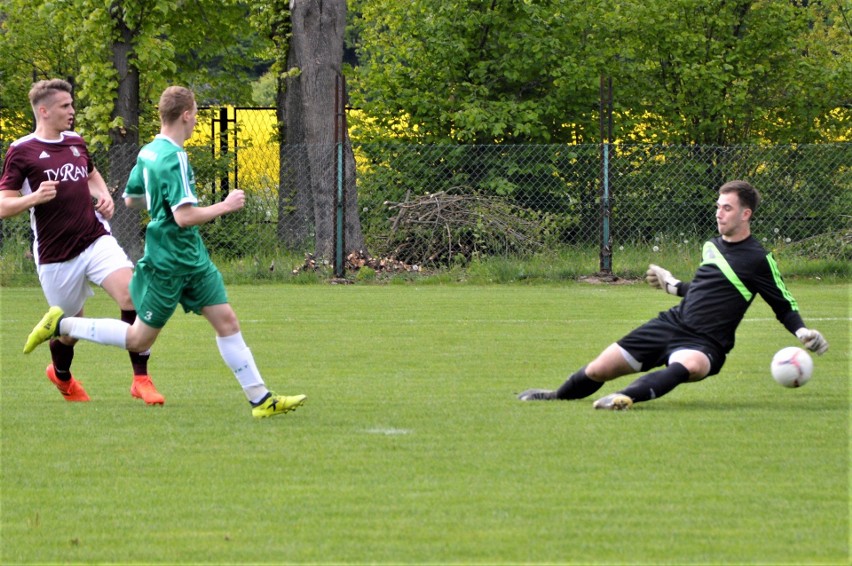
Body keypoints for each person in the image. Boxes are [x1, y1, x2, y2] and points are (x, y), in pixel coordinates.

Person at [23, 86, 306, 419]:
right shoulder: (174, 157)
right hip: (168, 260)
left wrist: (160, 206)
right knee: (138, 340)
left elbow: (131, 198)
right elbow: (184, 217)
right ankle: (64, 325)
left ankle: (261, 399)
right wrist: (225, 206)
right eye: (197, 113)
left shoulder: (149, 152)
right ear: (186, 115)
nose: (197, 119)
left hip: (193, 258)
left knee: (227, 321)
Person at [518, 180, 829, 410]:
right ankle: (556, 395)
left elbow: (783, 303)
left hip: (707, 343)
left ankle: (626, 397)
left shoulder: (759, 258)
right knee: (599, 368)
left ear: (746, 214)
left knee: (688, 366)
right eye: (718, 206)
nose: (719, 213)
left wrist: (802, 330)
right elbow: (707, 290)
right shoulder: (712, 245)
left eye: (727, 207)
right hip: (671, 324)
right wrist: (673, 286)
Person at [0, 79, 161, 404]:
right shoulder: (22, 150)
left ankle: (141, 379)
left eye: (72, 105)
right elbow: (4, 205)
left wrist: (103, 195)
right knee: (70, 330)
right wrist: (34, 199)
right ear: (44, 111)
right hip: (55, 255)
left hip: (94, 238)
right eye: (65, 106)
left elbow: (90, 175)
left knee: (133, 295)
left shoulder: (75, 142)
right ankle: (61, 376)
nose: (72, 111)